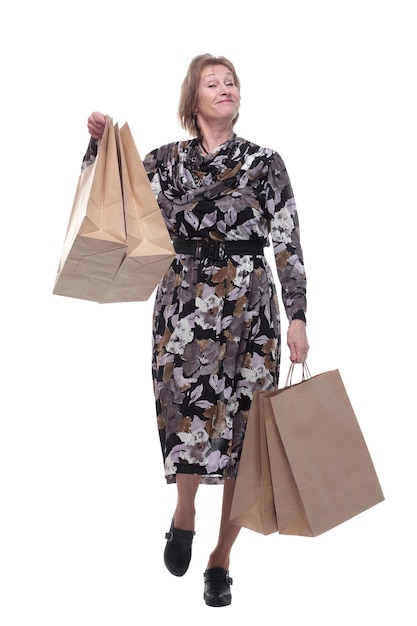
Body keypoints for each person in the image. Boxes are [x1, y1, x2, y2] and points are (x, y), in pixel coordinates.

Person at [85, 53, 309, 607]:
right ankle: (183, 513)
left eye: (230, 81)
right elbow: (110, 197)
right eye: (213, 82)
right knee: (184, 418)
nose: (225, 87)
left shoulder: (265, 164)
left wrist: (298, 315)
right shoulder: (164, 162)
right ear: (194, 98)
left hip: (250, 311)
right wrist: (96, 144)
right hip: (183, 307)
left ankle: (221, 557)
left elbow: (287, 241)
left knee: (244, 438)